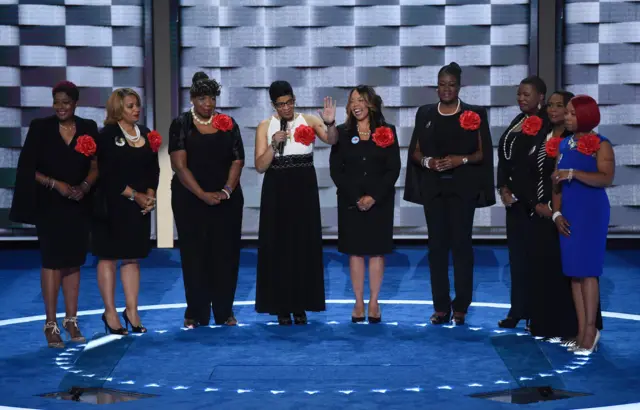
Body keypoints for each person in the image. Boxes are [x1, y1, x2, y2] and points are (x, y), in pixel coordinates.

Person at [404, 63, 495, 325]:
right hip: (434, 190)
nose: (446, 89)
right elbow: (416, 151)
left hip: (462, 190)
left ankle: (461, 306)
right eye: (442, 84)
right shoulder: (425, 113)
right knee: (436, 249)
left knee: (461, 248)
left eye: (451, 84)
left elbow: (482, 153)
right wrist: (427, 163)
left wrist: (460, 160)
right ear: (437, 86)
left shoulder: (474, 114)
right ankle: (441, 307)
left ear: (459, 86)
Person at [9, 81, 98, 348]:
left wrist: (84, 186)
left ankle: (72, 321)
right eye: (56, 101)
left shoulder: (88, 129)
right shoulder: (40, 128)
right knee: (52, 261)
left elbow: (95, 166)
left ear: (75, 103)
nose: (60, 107)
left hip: (78, 204)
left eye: (65, 102)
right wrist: (55, 184)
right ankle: (51, 324)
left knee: (73, 262)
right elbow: (27, 169)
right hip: (49, 205)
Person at [254, 80, 338, 325]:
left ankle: (301, 304)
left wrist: (331, 122)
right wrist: (273, 144)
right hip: (276, 187)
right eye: (281, 104)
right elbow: (260, 166)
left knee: (303, 244)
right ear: (274, 105)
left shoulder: (309, 121)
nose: (287, 108)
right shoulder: (264, 126)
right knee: (277, 246)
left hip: (303, 186)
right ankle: (281, 305)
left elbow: (331, 140)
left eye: (290, 102)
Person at [169, 72, 244, 328]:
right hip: (190, 199)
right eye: (202, 98)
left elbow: (238, 159)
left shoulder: (228, 123)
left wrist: (225, 191)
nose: (208, 104)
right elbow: (179, 166)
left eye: (211, 98)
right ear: (192, 99)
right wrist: (202, 194)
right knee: (195, 256)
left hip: (227, 199)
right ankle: (196, 312)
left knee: (226, 255)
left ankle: (225, 311)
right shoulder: (181, 124)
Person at [329, 85, 401, 323]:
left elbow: (393, 169)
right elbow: (336, 170)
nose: (356, 105)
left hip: (379, 201)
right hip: (351, 202)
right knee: (356, 252)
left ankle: (374, 302)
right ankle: (358, 302)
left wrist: (374, 197)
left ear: (371, 104)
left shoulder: (387, 131)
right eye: (352, 101)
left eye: (361, 100)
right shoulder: (341, 131)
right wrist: (355, 197)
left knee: (377, 251)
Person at [92, 88, 160, 335]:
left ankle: (132, 311)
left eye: (137, 105)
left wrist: (150, 194)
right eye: (131, 106)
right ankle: (109, 313)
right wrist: (135, 195)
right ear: (118, 109)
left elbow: (153, 168)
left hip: (139, 208)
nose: (136, 109)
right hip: (112, 205)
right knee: (108, 256)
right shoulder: (107, 135)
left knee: (132, 257)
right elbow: (108, 174)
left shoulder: (146, 134)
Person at [552, 95, 613, 355]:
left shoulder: (601, 144)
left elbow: (606, 178)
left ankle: (591, 330)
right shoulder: (564, 144)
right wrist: (556, 214)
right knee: (574, 273)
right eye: (567, 113)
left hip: (592, 212)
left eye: (571, 113)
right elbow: (556, 181)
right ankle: (580, 330)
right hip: (569, 213)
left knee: (588, 271)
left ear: (587, 115)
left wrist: (573, 174)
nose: (567, 117)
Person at [496, 75, 549, 330]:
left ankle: (537, 313)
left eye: (527, 94)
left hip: (533, 203)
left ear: (541, 97)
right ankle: (517, 310)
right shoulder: (518, 121)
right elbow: (506, 160)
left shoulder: (547, 125)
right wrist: (503, 188)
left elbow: (538, 166)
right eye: (519, 94)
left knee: (535, 260)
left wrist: (521, 193)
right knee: (516, 259)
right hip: (513, 203)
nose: (521, 98)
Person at [528, 90, 578, 338]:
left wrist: (555, 209)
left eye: (560, 105)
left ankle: (571, 327)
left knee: (567, 271)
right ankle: (545, 324)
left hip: (566, 212)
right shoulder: (540, 134)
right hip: (540, 211)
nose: (554, 109)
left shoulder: (576, 139)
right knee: (543, 269)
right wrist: (536, 203)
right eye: (550, 105)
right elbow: (531, 172)